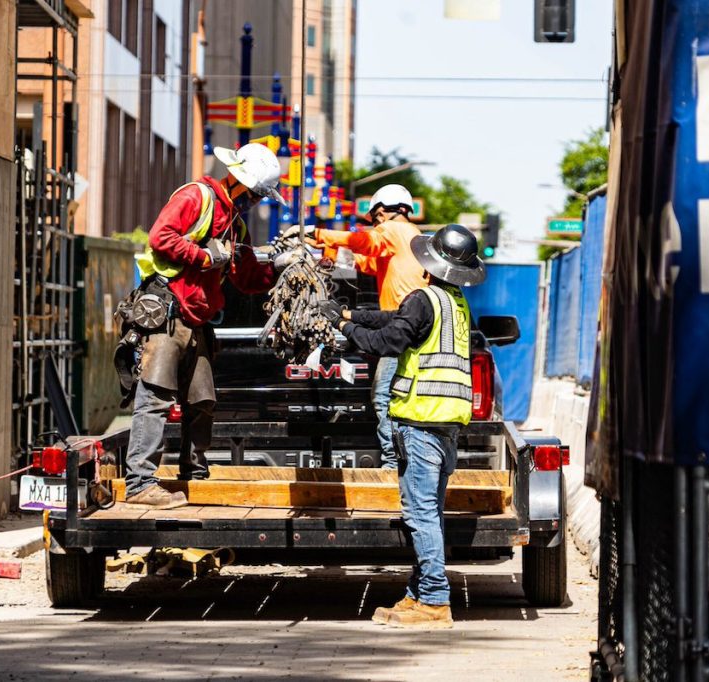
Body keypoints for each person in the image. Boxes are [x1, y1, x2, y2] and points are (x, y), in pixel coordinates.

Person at [318, 224, 486, 628]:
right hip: (445, 426)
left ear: (429, 262)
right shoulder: (454, 303)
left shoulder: (423, 299)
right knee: (428, 512)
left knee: (421, 514)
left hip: (421, 422)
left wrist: (342, 327)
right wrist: (348, 312)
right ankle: (419, 592)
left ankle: (434, 602)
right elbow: (393, 319)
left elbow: (386, 342)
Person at [123, 143, 290, 508]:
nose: (258, 202)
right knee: (154, 398)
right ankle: (139, 483)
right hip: (168, 313)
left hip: (197, 321)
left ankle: (193, 475)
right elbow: (160, 237)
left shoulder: (236, 224)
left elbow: (246, 277)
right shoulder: (196, 197)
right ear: (241, 184)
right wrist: (203, 256)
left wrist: (279, 266)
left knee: (202, 400)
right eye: (257, 195)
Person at [285, 184, 427, 470]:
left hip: (401, 329)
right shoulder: (411, 239)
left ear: (388, 210)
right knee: (400, 397)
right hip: (411, 329)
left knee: (383, 396)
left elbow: (365, 243)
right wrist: (329, 250)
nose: (374, 223)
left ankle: (392, 462)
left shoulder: (396, 230)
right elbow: (366, 261)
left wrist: (318, 233)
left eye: (375, 217)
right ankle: (405, 458)